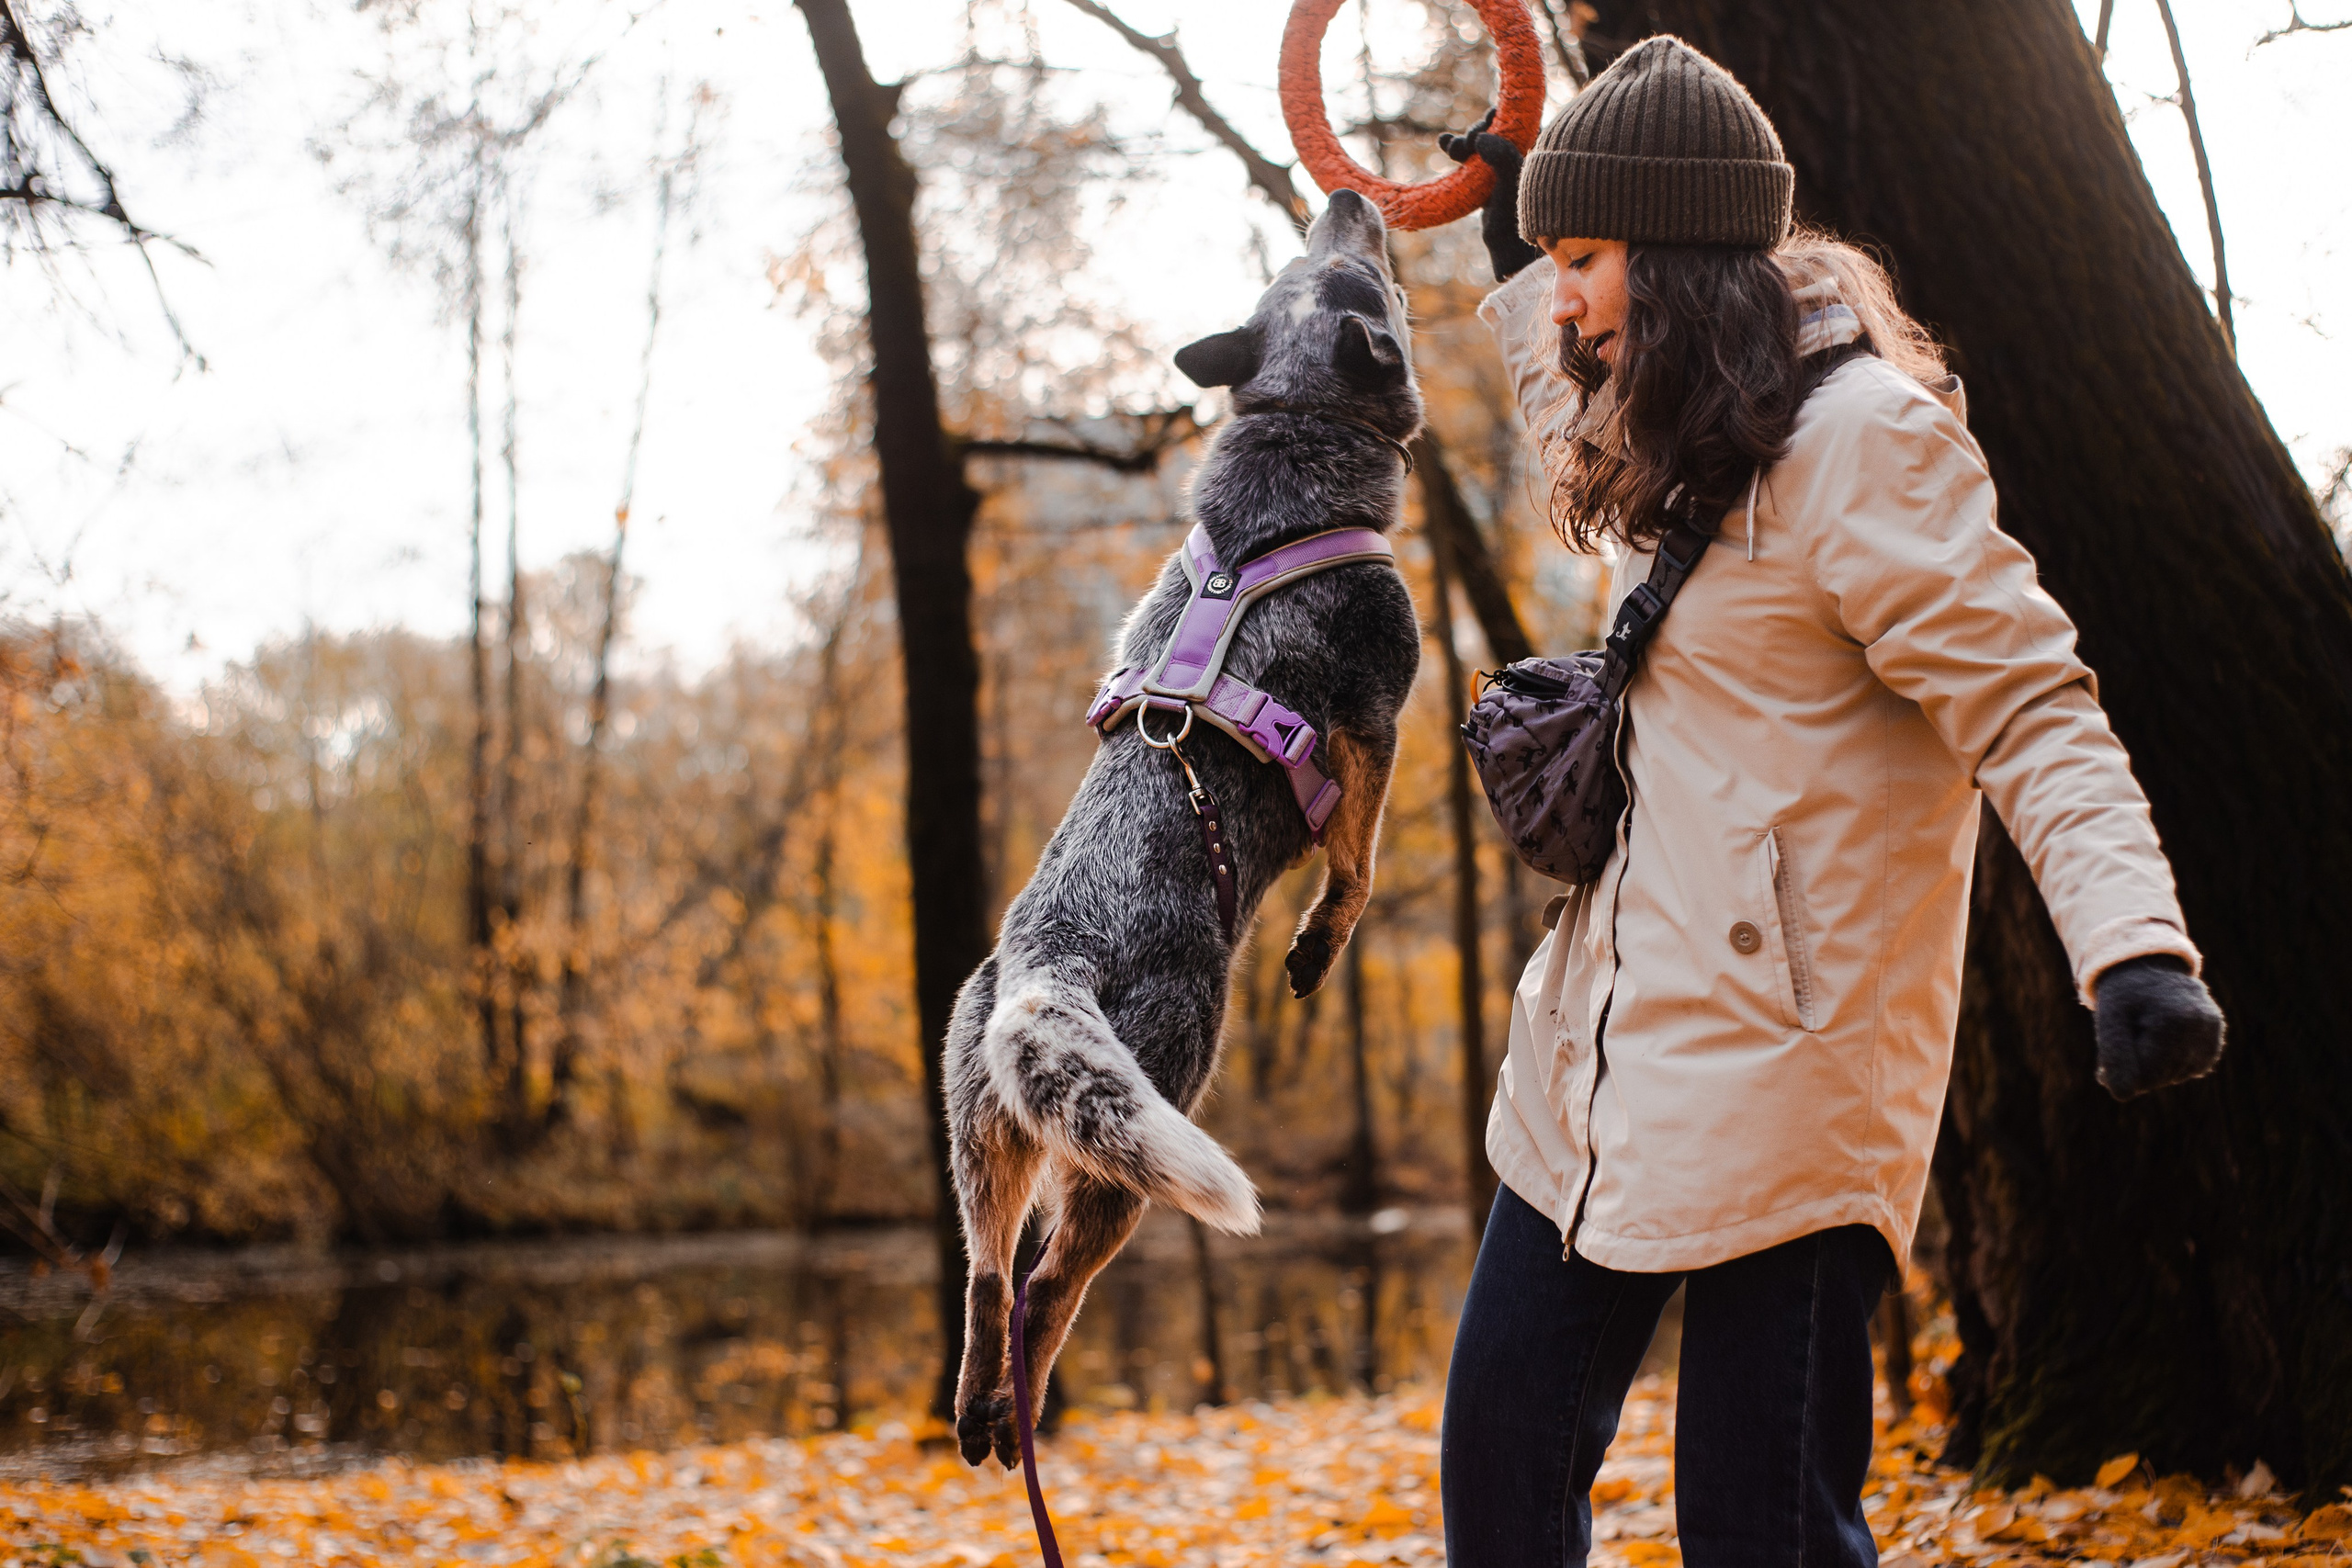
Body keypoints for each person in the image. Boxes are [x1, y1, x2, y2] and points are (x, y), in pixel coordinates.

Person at [1430, 36, 2226, 1568]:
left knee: (1762, 1529)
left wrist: (2134, 949)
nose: (1570, 300)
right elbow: (1564, 379)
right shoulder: (1670, 416)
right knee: (1501, 1471)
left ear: (1671, 253)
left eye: (1585, 258)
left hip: (1794, 1070)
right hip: (1597, 1056)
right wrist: (1522, 242)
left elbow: (2030, 706)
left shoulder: (1867, 444)